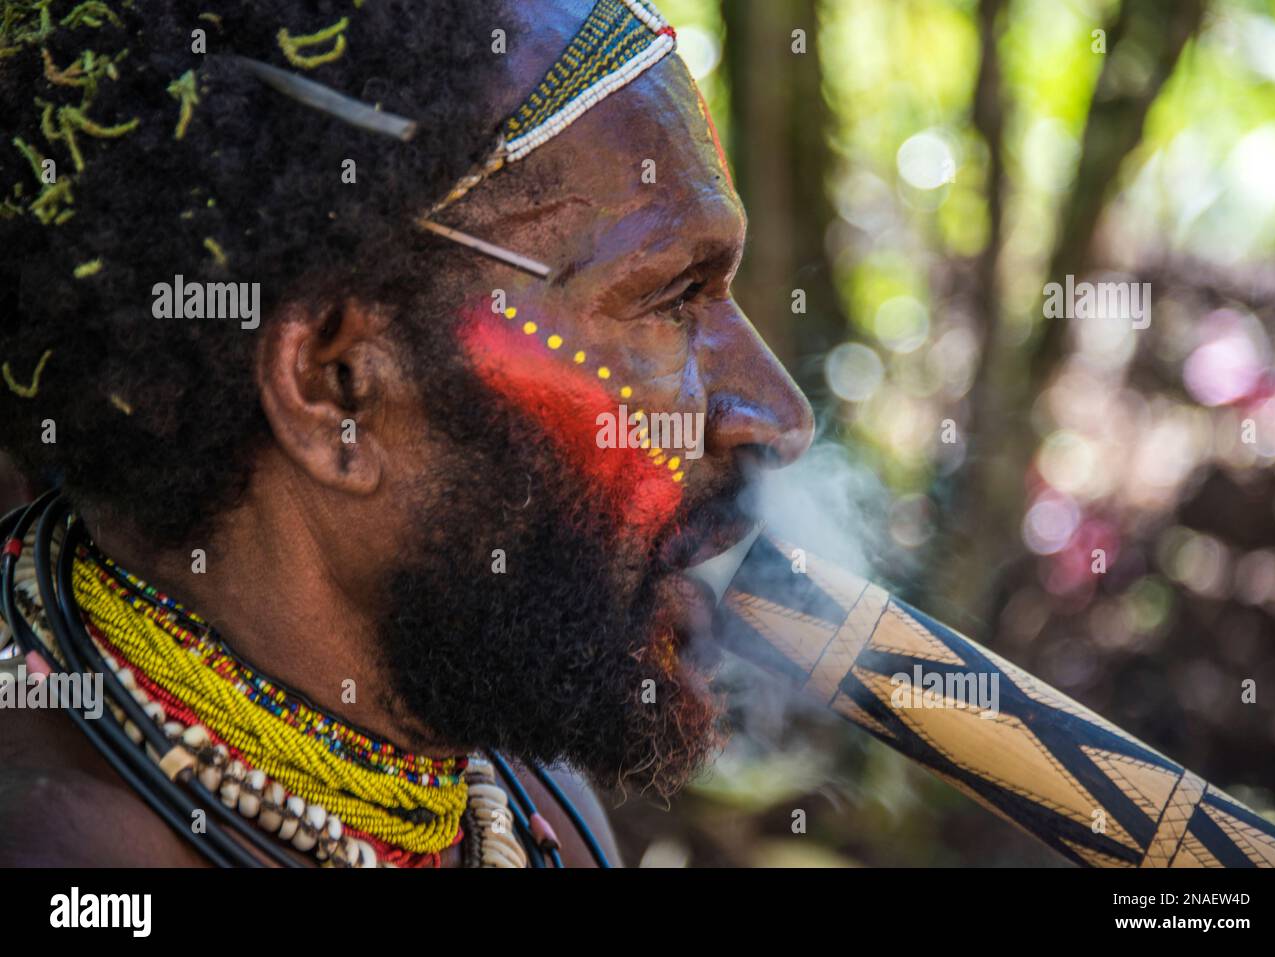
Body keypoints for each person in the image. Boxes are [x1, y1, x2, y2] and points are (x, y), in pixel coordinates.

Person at [0, 0, 813, 867]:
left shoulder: (540, 808)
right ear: (335, 386)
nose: (781, 415)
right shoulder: (57, 848)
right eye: (668, 301)